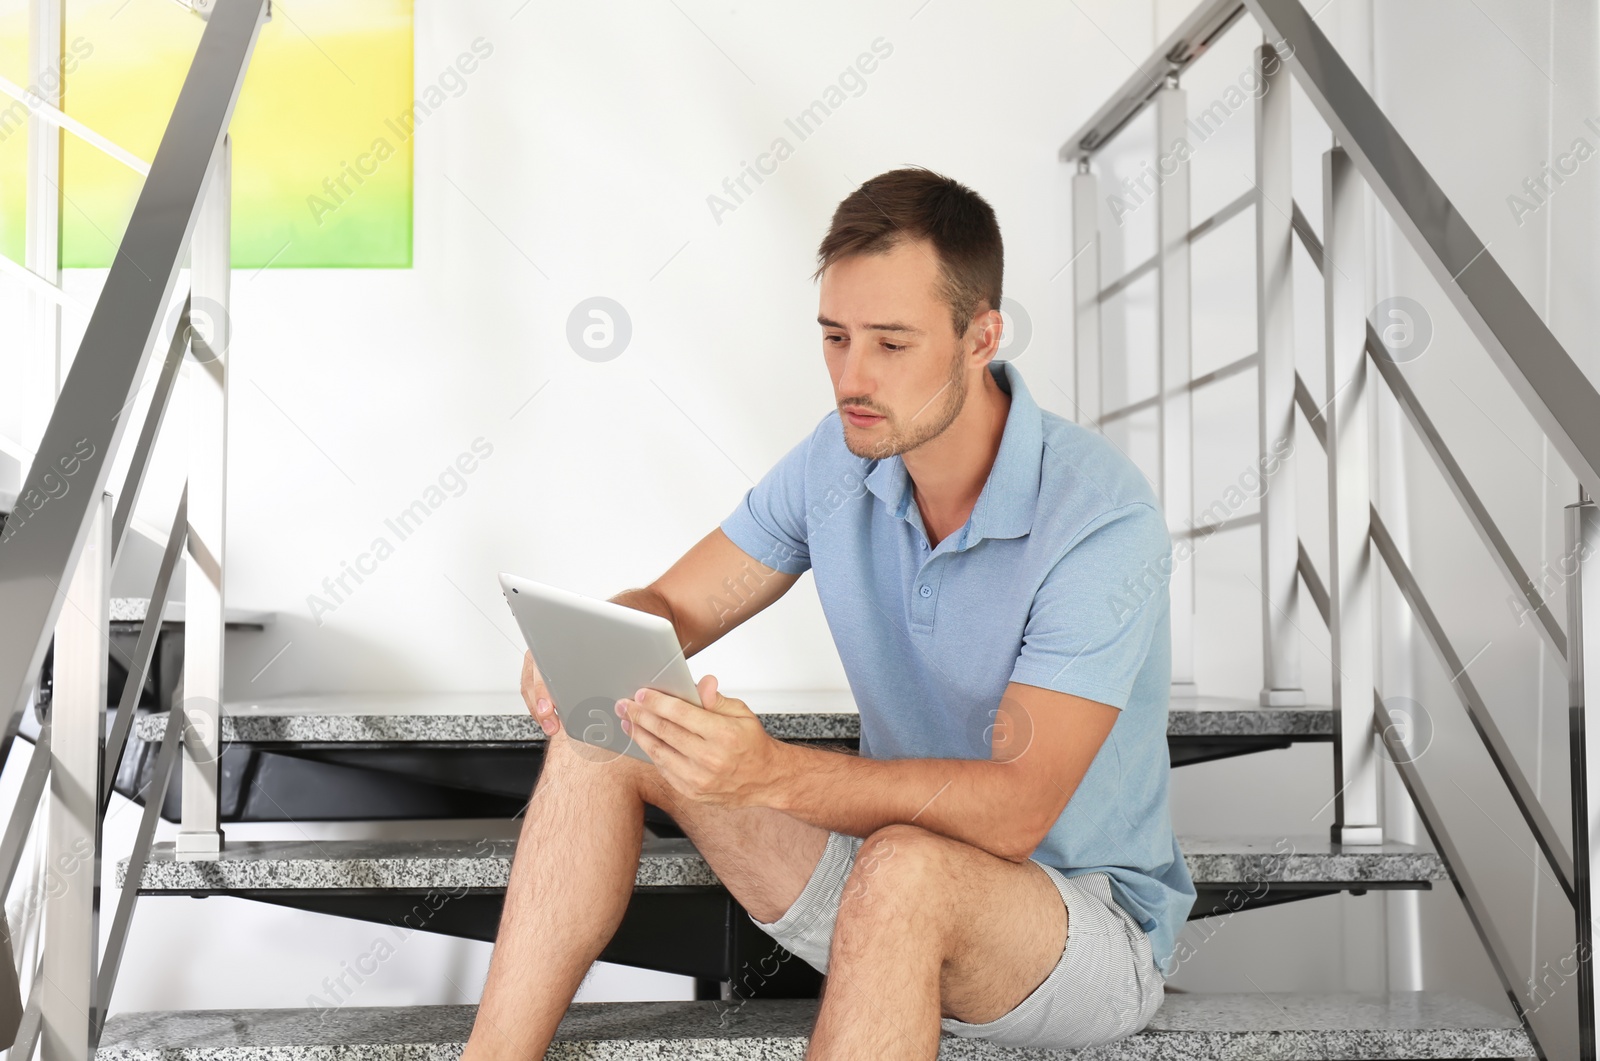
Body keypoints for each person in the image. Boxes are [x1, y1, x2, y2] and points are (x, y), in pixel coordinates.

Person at [461, 166, 1195, 1060]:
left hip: (1074, 927)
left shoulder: (1100, 518)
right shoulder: (836, 463)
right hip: (882, 876)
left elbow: (1012, 815)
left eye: (891, 343)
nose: (853, 375)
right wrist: (593, 639)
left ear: (981, 335)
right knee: (609, 722)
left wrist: (767, 772)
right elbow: (673, 605)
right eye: (836, 337)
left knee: (908, 870)